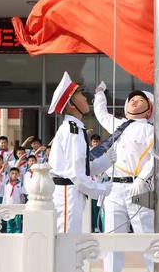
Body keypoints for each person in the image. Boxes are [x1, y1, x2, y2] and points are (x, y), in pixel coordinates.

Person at [94, 81, 154, 272]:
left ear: (149, 110)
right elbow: (101, 114)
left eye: (140, 100)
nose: (135, 102)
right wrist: (100, 93)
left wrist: (143, 179)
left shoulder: (150, 130)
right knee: (112, 237)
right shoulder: (119, 125)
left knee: (146, 234)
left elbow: (156, 158)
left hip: (140, 188)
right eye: (132, 99)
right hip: (114, 188)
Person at [48, 71, 113, 235]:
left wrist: (109, 159)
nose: (85, 98)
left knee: (71, 242)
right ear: (71, 104)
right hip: (67, 194)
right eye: (80, 94)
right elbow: (76, 174)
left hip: (71, 193)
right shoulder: (72, 131)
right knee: (66, 241)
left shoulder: (75, 129)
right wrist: (102, 188)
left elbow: (83, 167)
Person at [2, 167, 24, 233]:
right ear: (9, 174)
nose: (14, 175)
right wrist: (4, 203)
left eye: (16, 173)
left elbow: (22, 195)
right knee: (9, 219)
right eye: (12, 173)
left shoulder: (20, 184)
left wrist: (22, 204)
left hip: (17, 204)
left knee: (17, 219)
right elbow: (5, 194)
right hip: (8, 204)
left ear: (18, 175)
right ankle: (9, 231)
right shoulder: (6, 183)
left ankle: (17, 231)